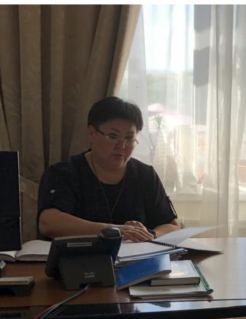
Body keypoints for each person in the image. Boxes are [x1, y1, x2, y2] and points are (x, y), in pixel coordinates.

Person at [38, 96, 180, 242]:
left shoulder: (145, 175)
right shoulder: (64, 172)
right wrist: (112, 230)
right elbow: (48, 223)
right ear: (91, 134)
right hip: (81, 255)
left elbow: (172, 225)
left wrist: (150, 234)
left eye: (129, 138)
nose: (122, 146)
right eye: (113, 136)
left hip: (136, 255)